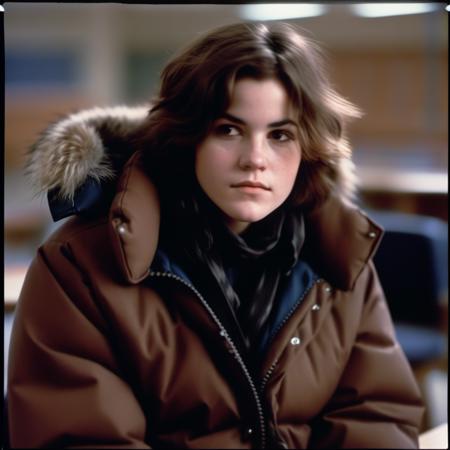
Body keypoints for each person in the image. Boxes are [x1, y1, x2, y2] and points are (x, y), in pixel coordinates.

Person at [7, 22, 424, 448]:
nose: (255, 160)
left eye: (280, 135)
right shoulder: (77, 267)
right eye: (229, 129)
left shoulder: (339, 256)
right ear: (186, 136)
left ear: (309, 147)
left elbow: (376, 416)